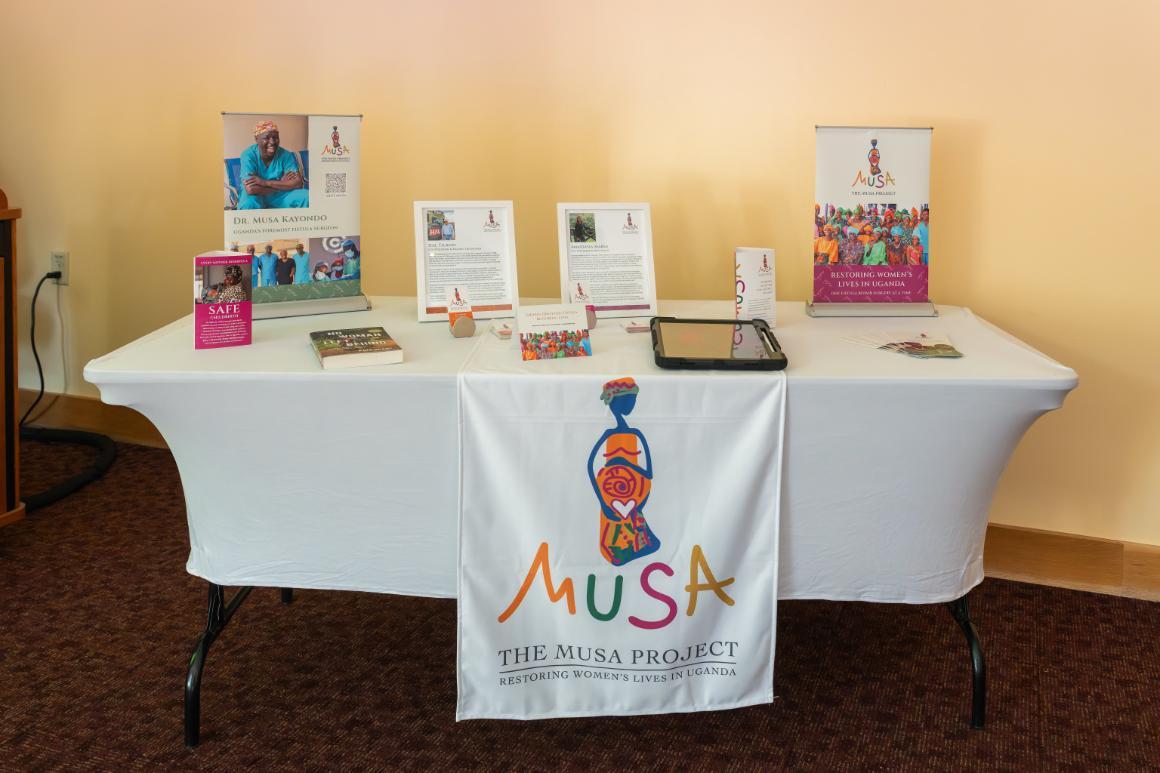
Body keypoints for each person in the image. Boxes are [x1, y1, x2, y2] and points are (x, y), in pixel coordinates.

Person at [588, 378, 660, 567]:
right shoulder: (610, 435)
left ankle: (635, 548)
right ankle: (617, 551)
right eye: (629, 401)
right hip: (611, 494)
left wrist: (641, 500)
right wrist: (604, 502)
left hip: (633, 494)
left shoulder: (636, 434)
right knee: (614, 532)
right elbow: (591, 465)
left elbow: (649, 471)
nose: (632, 405)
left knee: (633, 529)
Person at [237, 120, 309, 210]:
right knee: (248, 204)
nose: (272, 142)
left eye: (275, 137)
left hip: (280, 196)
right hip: (256, 196)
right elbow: (251, 189)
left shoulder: (285, 155)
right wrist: (282, 184)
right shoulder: (248, 155)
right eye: (266, 138)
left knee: (307, 197)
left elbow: (297, 183)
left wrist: (265, 182)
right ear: (256, 139)